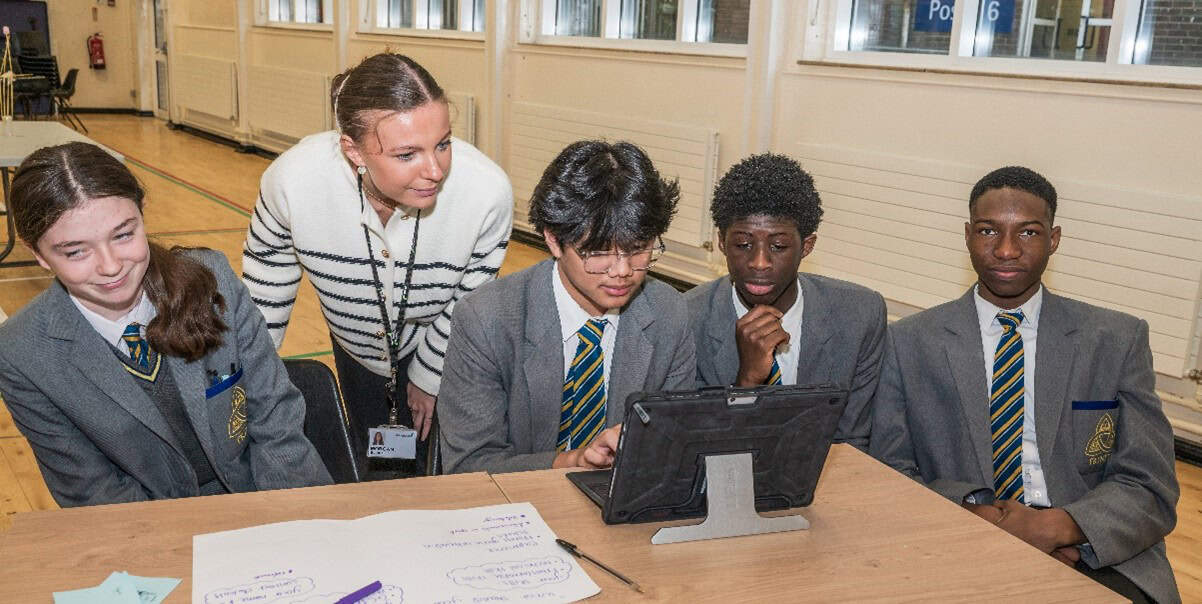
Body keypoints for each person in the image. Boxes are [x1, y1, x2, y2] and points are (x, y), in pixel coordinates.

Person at [870, 166, 1179, 603]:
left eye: (1029, 233)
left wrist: (1058, 527)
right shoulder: (909, 341)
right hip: (956, 540)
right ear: (966, 235)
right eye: (988, 231)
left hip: (1092, 553)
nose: (1007, 250)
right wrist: (977, 519)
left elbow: (1151, 485)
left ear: (1054, 239)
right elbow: (890, 472)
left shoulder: (1115, 340)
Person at [0, 142, 332, 507]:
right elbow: (93, 492)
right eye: (76, 251)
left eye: (124, 234)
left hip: (258, 497)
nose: (110, 266)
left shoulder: (212, 279)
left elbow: (275, 421)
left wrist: (291, 522)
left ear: (142, 218)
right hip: (147, 525)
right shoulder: (21, 354)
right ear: (39, 255)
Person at [242, 53, 513, 476]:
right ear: (354, 150)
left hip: (443, 344)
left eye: (443, 144)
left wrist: (429, 375)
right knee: (379, 467)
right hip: (356, 349)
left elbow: (470, 299)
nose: (435, 169)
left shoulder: (487, 193)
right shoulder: (292, 182)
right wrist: (251, 378)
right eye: (407, 154)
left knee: (441, 472)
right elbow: (265, 282)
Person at [438, 140, 695, 474]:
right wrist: (572, 462)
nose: (621, 270)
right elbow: (470, 465)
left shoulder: (667, 312)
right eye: (598, 252)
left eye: (638, 249)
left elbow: (679, 444)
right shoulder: (487, 318)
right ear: (553, 240)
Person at [684, 153, 885, 450]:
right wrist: (748, 380)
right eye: (743, 245)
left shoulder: (859, 314)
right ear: (722, 243)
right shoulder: (687, 318)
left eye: (778, 246)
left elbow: (852, 443)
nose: (760, 262)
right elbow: (693, 447)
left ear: (806, 246)